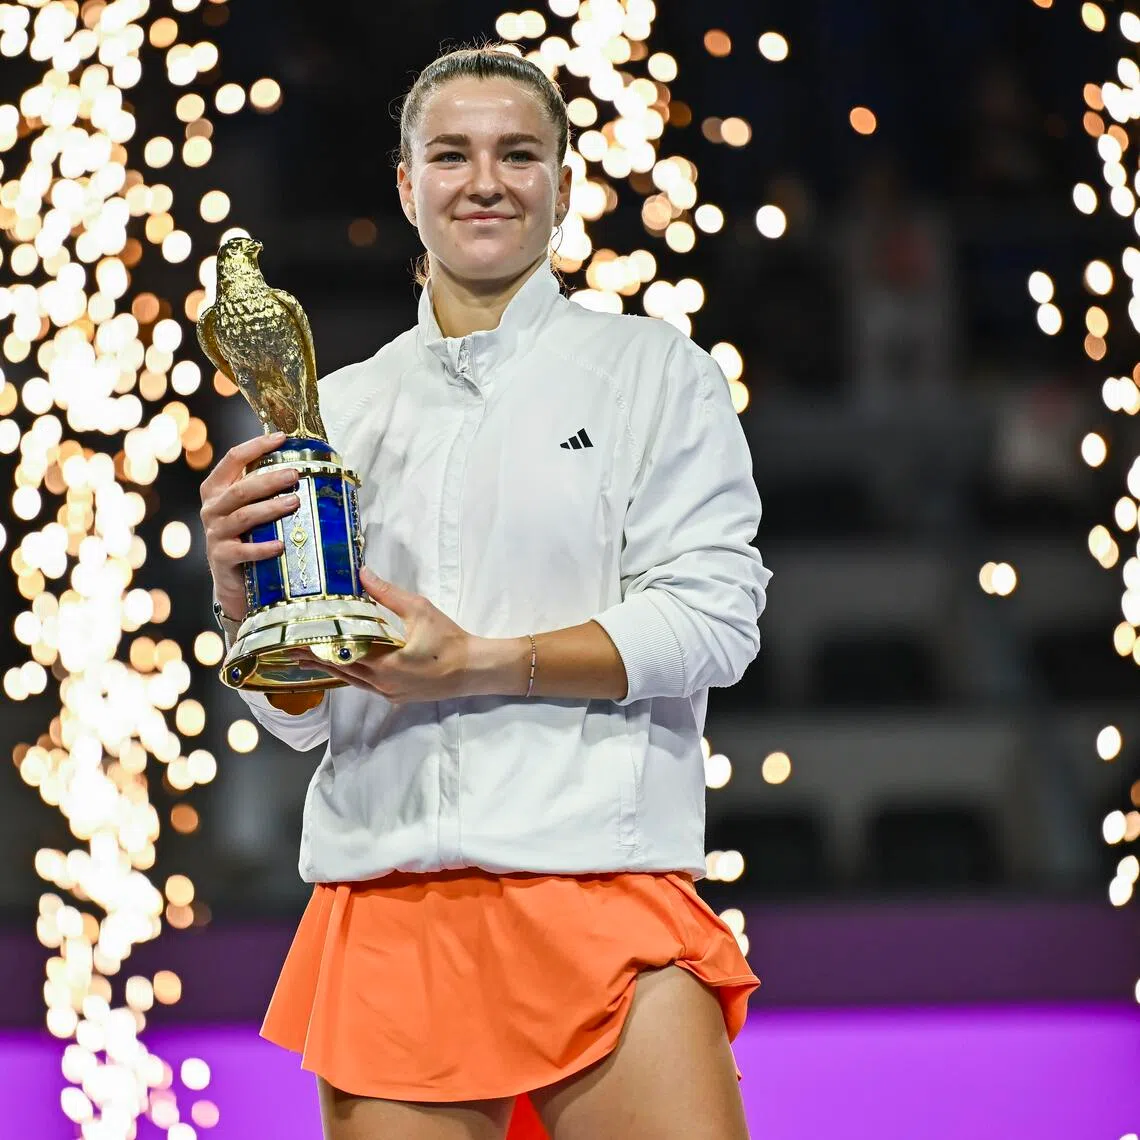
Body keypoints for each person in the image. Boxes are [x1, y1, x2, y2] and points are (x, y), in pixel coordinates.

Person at [198, 45, 771, 1140]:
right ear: (406, 184)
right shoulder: (337, 411)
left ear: (563, 180)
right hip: (389, 895)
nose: (486, 182)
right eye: (451, 155)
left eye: (519, 153)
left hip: (601, 883)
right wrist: (248, 609)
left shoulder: (655, 372)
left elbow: (715, 618)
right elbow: (299, 719)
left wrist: (478, 663)